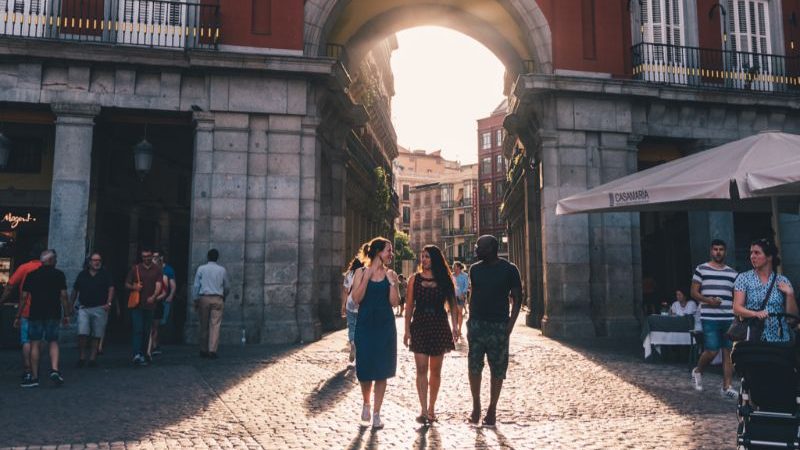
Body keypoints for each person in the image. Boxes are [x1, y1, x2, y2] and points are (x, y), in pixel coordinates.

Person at [467, 235, 523, 427]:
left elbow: (517, 298)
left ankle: (492, 409)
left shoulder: (509, 270)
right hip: (477, 325)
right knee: (474, 366)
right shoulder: (474, 269)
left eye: (479, 246)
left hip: (499, 325)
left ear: (491, 248)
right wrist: (470, 321)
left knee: (497, 369)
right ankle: (476, 406)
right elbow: (472, 294)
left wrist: (509, 326)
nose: (476, 249)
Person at [403, 245, 459, 424]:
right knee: (421, 369)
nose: (424, 259)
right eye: (422, 256)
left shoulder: (444, 279)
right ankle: (423, 410)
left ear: (434, 259)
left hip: (438, 325)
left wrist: (455, 327)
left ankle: (432, 408)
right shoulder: (414, 279)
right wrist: (406, 330)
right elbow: (409, 305)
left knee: (435, 371)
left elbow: (453, 305)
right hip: (419, 324)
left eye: (427, 256)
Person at [350, 237, 400, 429]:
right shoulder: (360, 272)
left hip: (385, 326)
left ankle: (377, 413)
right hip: (365, 325)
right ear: (379, 252)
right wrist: (368, 274)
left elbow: (395, 303)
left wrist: (393, 284)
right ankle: (366, 402)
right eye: (389, 250)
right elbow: (356, 299)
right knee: (365, 369)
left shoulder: (391, 274)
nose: (391, 254)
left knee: (382, 370)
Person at [690, 239, 738, 398]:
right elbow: (693, 292)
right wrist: (708, 300)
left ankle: (727, 386)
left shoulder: (732, 273)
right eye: (716, 249)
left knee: (728, 352)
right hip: (709, 317)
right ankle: (698, 371)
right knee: (711, 350)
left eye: (721, 249)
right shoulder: (701, 269)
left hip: (729, 317)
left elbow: (736, 296)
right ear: (711, 251)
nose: (718, 252)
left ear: (726, 252)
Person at [733, 239, 797, 343]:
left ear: (769, 257)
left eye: (757, 253)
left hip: (779, 338)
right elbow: (737, 308)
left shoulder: (782, 280)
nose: (752, 256)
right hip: (754, 337)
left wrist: (790, 294)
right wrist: (755, 313)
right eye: (751, 253)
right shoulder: (744, 278)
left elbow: (792, 318)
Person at [21, 250, 69, 388]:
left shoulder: (31, 275)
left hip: (35, 312)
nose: (57, 261)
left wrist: (18, 314)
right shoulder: (59, 275)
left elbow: (24, 297)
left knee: (35, 343)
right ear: (51, 260)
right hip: (53, 313)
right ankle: (55, 369)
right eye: (55, 259)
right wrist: (66, 314)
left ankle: (35, 376)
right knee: (53, 341)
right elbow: (64, 296)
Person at [1, 251, 41, 386]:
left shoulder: (24, 268)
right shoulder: (47, 268)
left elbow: (10, 285)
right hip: (44, 311)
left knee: (26, 341)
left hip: (27, 310)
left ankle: (28, 368)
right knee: (40, 340)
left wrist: (2, 300)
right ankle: (36, 367)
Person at [71, 252, 114, 368]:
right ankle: (81, 357)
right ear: (89, 262)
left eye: (99, 260)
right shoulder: (82, 274)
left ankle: (93, 358)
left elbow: (111, 288)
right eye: (94, 260)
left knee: (97, 334)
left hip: (100, 307)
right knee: (82, 332)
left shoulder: (105, 274)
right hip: (84, 308)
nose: (97, 262)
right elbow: (75, 290)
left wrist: (108, 303)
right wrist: (71, 304)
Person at [125, 247, 163, 366]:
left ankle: (144, 353)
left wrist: (154, 296)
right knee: (138, 329)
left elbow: (159, 284)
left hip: (150, 304)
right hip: (137, 304)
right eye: (144, 257)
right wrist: (134, 288)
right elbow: (127, 284)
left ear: (152, 257)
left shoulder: (157, 269)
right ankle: (137, 354)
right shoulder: (135, 269)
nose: (146, 259)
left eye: (148, 256)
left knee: (147, 331)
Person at [192, 248, 229, 359]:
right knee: (215, 325)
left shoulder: (201, 269)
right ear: (217, 258)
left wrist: (195, 299)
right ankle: (212, 350)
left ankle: (203, 349)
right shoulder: (222, 270)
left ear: (207, 257)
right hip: (218, 298)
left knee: (204, 324)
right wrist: (224, 296)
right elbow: (227, 286)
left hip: (204, 298)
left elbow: (196, 286)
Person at [340, 249, 365, 365]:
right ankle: (359, 347)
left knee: (351, 326)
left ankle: (352, 343)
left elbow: (345, 291)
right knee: (361, 327)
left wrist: (343, 305)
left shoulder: (348, 275)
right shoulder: (364, 274)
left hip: (350, 303)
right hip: (361, 303)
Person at [150, 250, 176, 356]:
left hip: (162, 300)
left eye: (156, 257)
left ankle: (155, 343)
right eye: (153, 256)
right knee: (152, 324)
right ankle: (152, 345)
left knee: (160, 323)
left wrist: (170, 296)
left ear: (162, 257)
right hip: (151, 300)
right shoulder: (149, 269)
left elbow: (172, 285)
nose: (154, 259)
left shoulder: (167, 270)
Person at [452, 261, 469, 336]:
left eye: (455, 266)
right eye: (453, 266)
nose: (453, 268)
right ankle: (454, 328)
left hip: (461, 296)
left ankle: (459, 330)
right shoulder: (451, 276)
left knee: (459, 313)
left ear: (459, 267)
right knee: (454, 313)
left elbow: (466, 285)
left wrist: (463, 293)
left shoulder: (465, 275)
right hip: (453, 297)